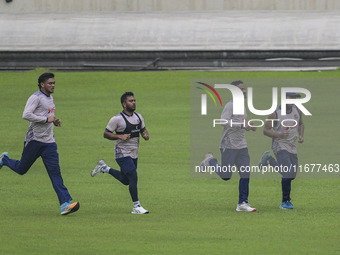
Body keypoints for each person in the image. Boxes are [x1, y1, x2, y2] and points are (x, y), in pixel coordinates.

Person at [0, 73, 79, 215]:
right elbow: (26, 114)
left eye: (54, 83)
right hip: (34, 141)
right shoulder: (35, 97)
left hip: (49, 142)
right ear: (42, 84)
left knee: (56, 173)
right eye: (50, 83)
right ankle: (4, 160)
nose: (53, 85)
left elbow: (48, 116)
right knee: (21, 169)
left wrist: (54, 121)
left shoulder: (50, 98)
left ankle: (65, 203)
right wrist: (46, 119)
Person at [201, 80, 257, 212]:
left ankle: (242, 203)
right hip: (229, 145)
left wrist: (249, 126)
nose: (243, 91)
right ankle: (211, 160)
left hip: (242, 145)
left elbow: (241, 121)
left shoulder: (242, 106)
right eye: (240, 90)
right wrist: (242, 125)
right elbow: (223, 121)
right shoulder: (230, 105)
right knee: (226, 176)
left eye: (244, 89)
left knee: (245, 173)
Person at [91, 92, 150, 214]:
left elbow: (143, 129)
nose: (133, 102)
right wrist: (120, 136)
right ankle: (136, 207)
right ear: (124, 104)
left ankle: (105, 168)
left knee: (126, 180)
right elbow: (106, 134)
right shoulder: (117, 119)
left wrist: (145, 134)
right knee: (133, 176)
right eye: (130, 101)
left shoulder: (139, 117)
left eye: (134, 100)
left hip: (134, 153)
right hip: (121, 153)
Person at [258, 92, 304, 209]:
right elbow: (265, 130)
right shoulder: (275, 113)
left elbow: (301, 124)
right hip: (280, 145)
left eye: (294, 99)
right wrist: (279, 134)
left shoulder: (297, 110)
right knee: (288, 173)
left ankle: (269, 160)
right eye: (290, 98)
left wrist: (301, 135)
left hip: (292, 146)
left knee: (292, 175)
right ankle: (285, 201)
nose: (293, 101)